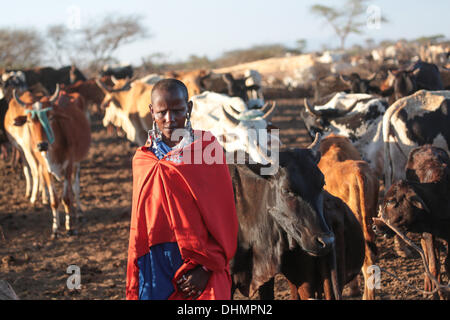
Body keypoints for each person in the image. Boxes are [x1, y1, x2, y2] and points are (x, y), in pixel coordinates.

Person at [126, 79, 238, 300]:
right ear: (151, 111)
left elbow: (224, 217)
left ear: (189, 108)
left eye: (177, 111)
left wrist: (206, 268)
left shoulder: (206, 149)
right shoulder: (143, 158)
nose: (169, 119)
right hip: (154, 261)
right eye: (162, 112)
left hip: (199, 260)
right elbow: (139, 222)